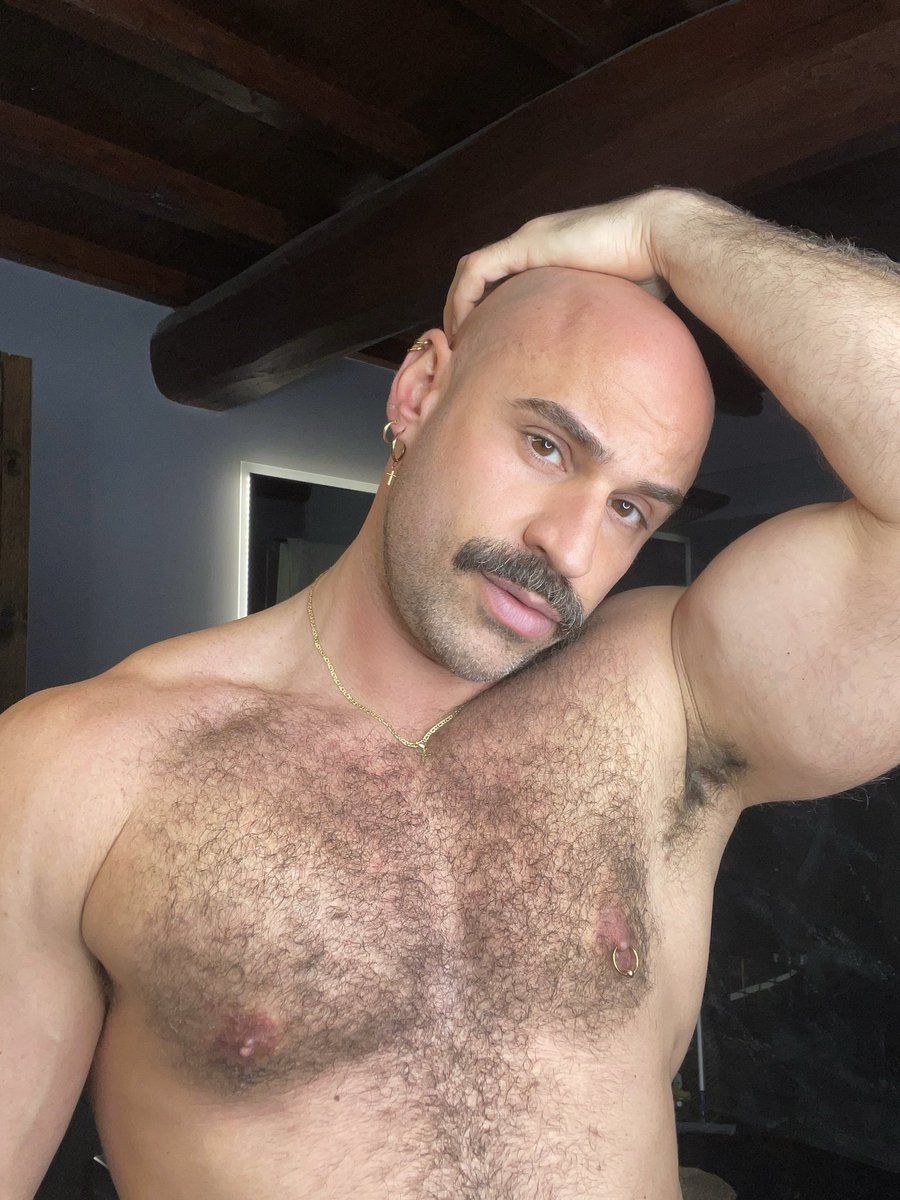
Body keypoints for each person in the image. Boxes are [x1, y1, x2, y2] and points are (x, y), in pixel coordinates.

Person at [1, 185, 898, 1200]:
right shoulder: (80, 770)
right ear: (420, 391)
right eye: (547, 446)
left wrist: (674, 228)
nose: (569, 547)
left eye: (631, 510)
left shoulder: (668, 703)